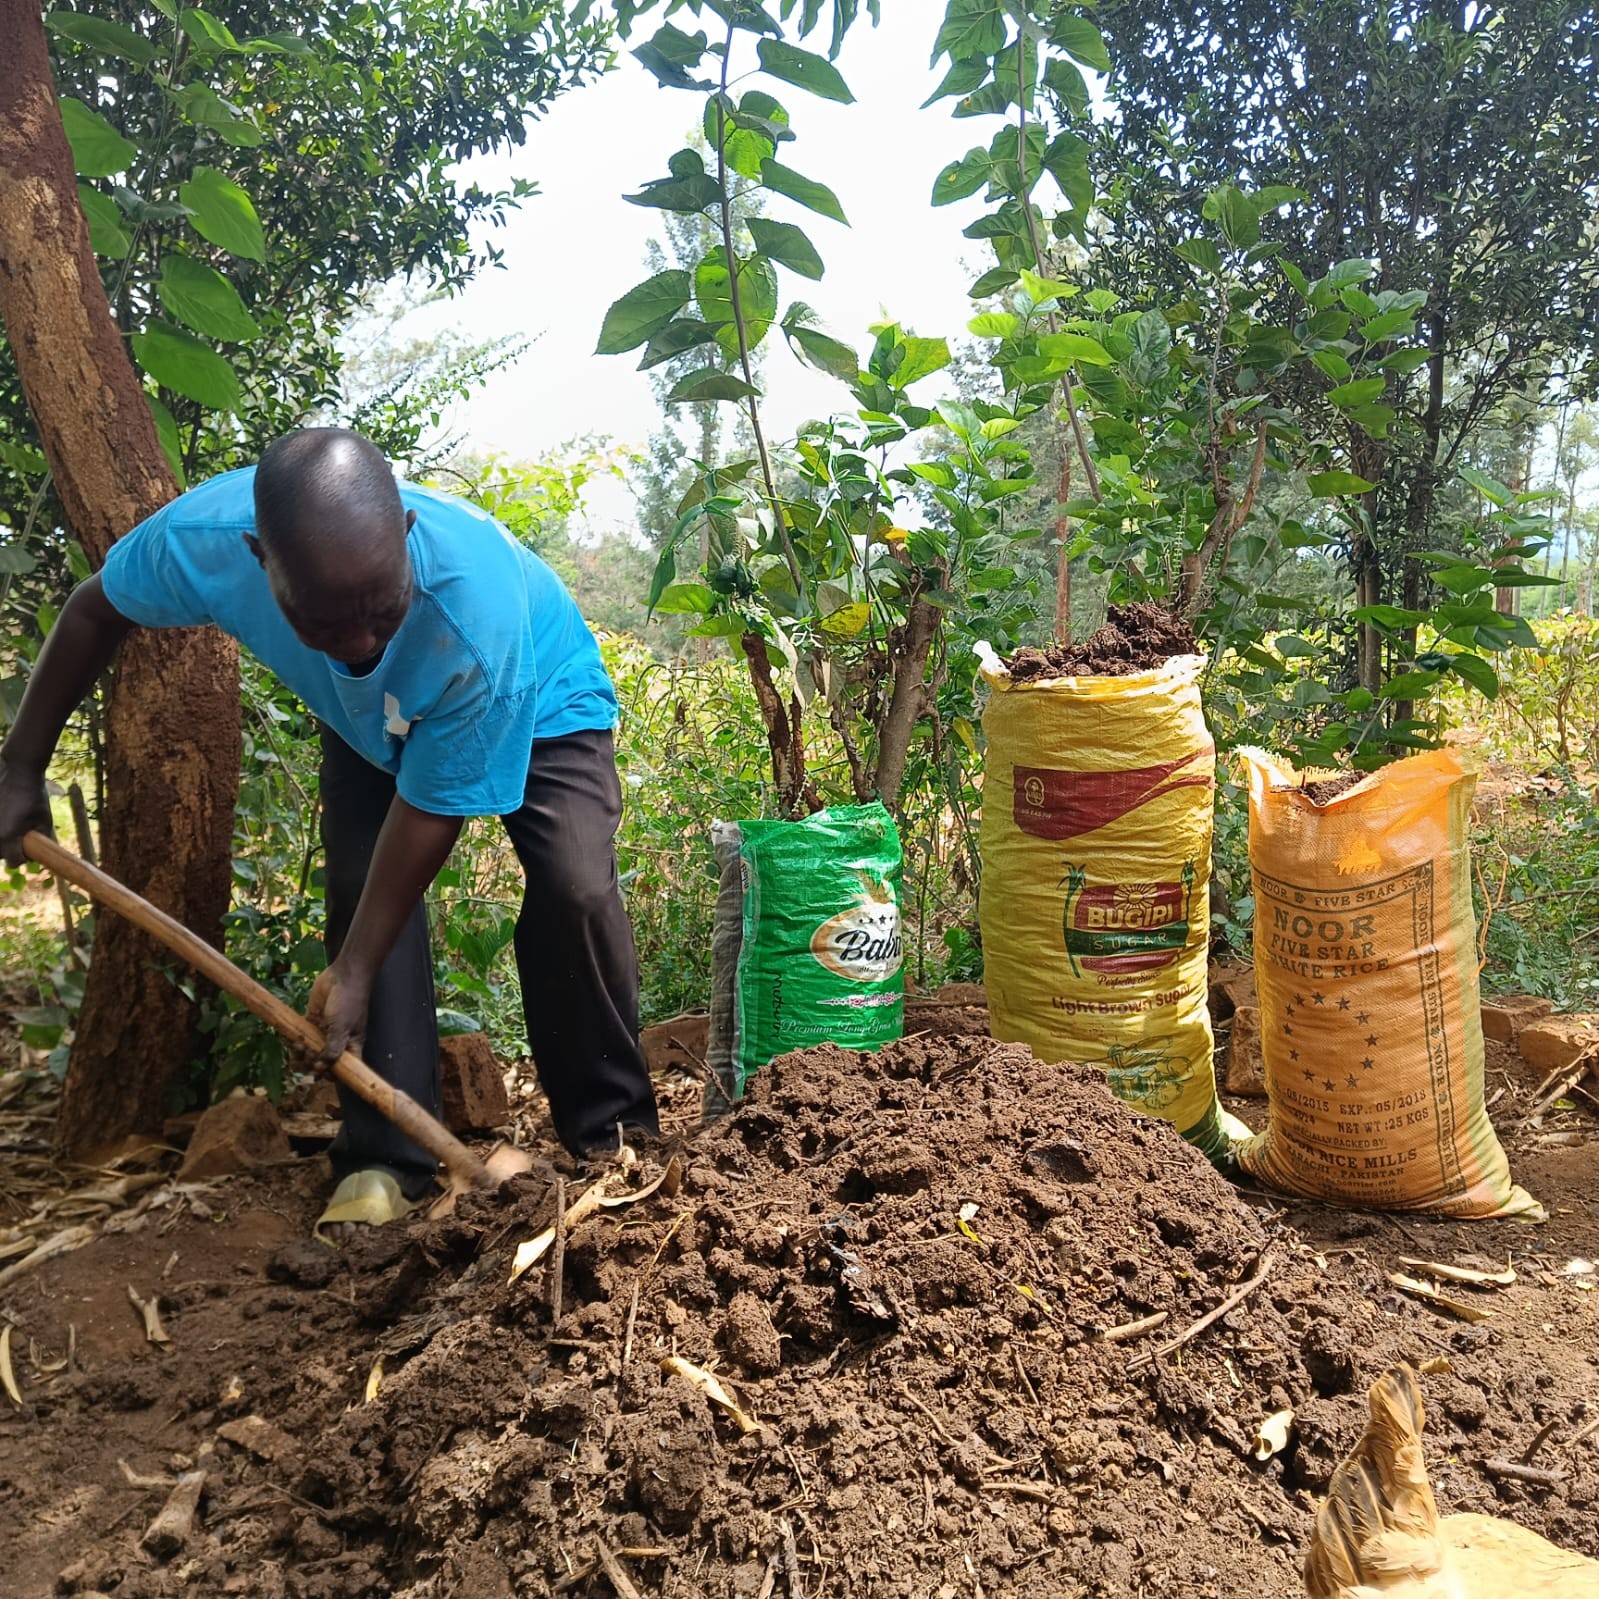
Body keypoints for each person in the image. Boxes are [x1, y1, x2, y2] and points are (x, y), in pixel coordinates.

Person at [0, 428, 659, 1230]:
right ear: (257, 558)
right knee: (359, 888)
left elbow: (431, 810)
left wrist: (348, 972)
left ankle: (612, 1139)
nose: (357, 641)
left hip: (539, 690)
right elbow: (93, 610)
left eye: (381, 609)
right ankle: (386, 1156)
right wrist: (20, 768)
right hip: (367, 726)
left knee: (575, 886)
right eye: (321, 620)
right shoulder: (199, 544)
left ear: (407, 539)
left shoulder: (474, 610)